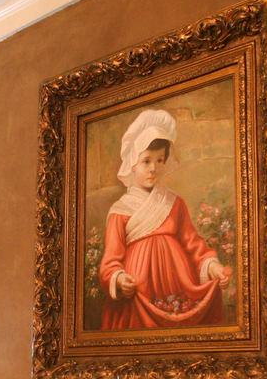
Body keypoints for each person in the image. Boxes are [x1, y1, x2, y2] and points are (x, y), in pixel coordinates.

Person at [99, 108, 232, 330]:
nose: (154, 168)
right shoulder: (120, 210)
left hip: (178, 286)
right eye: (146, 161)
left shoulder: (174, 202)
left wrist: (213, 267)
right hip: (139, 294)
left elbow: (194, 245)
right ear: (133, 163)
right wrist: (120, 279)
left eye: (160, 160)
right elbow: (110, 261)